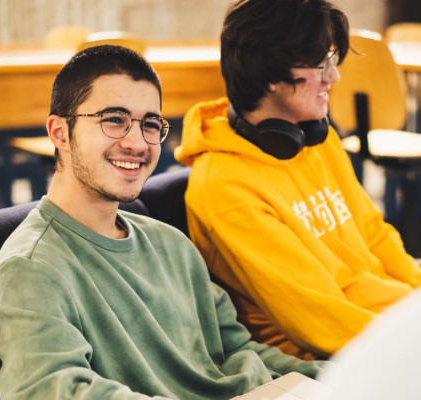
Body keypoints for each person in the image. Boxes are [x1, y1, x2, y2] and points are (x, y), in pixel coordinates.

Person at [0, 45, 324, 400]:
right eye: (113, 119)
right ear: (59, 132)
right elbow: (49, 389)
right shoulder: (30, 269)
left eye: (150, 124)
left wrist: (340, 375)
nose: (137, 142)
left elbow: (241, 351)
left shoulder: (171, 243)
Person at [174, 0, 421, 360]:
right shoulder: (226, 190)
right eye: (321, 64)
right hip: (333, 358)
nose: (334, 77)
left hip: (390, 321)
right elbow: (323, 323)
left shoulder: (315, 139)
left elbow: (375, 234)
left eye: (332, 60)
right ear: (271, 77)